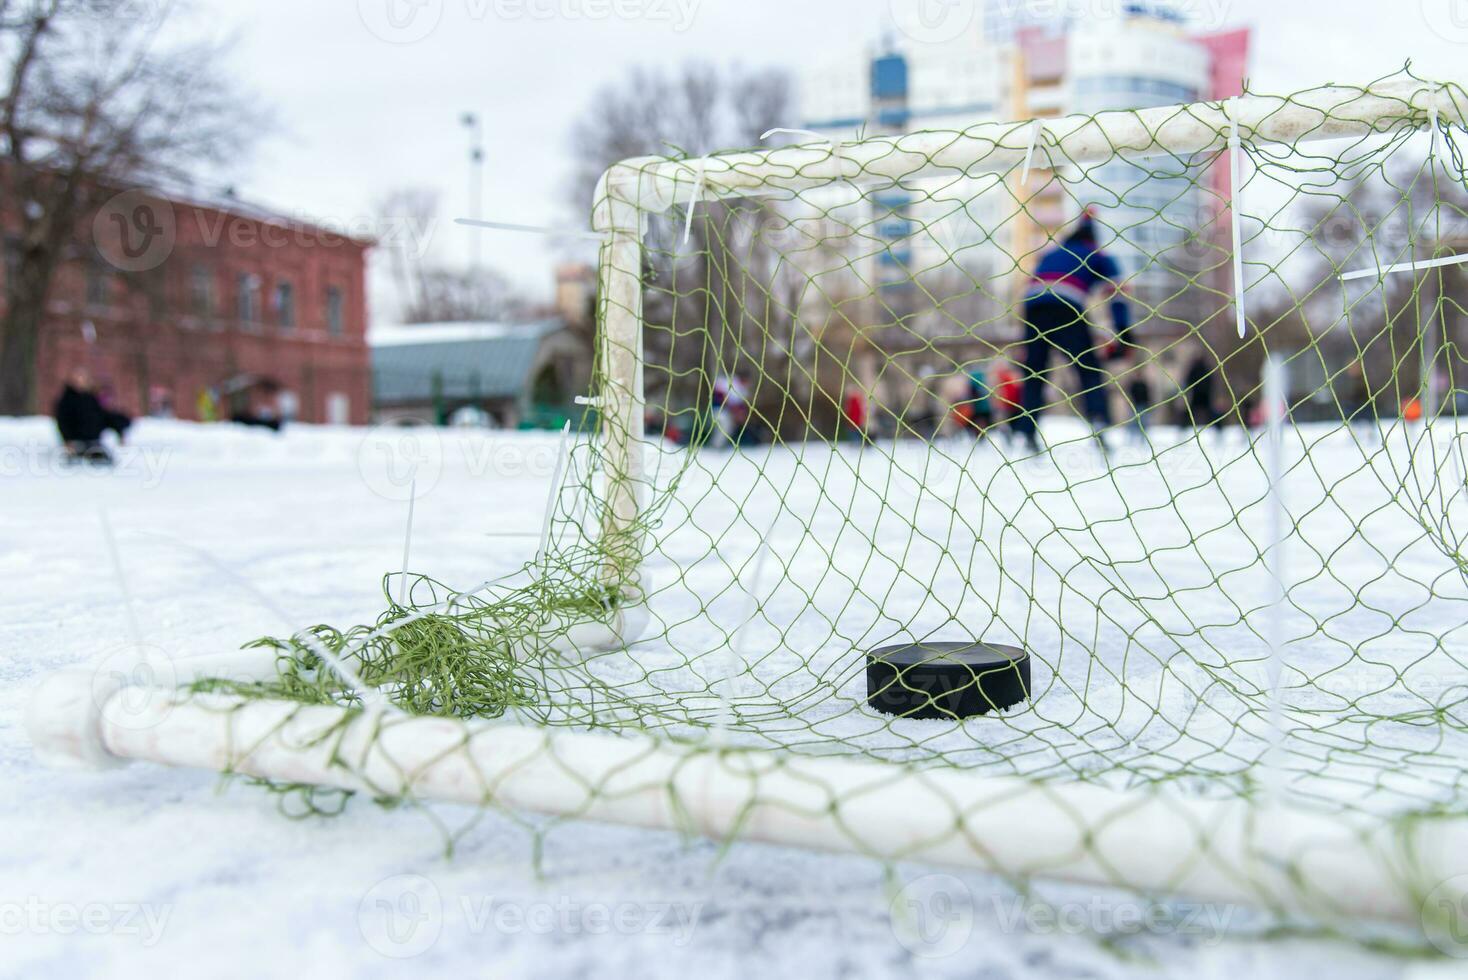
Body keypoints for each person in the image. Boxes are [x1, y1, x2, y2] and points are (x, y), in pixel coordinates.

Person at [1012, 209, 1131, 454]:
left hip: (1033, 306)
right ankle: (1098, 420)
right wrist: (1124, 331)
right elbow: (1117, 289)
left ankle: (1027, 431)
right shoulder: (1095, 254)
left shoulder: (1052, 253)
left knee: (1035, 372)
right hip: (1066, 305)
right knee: (1087, 368)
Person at [54, 367, 131, 464]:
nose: (80, 381)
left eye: (83, 378)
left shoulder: (91, 399)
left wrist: (120, 426)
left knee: (104, 461)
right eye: (78, 378)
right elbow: (63, 422)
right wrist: (67, 440)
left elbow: (104, 417)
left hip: (93, 442)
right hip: (76, 443)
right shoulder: (66, 401)